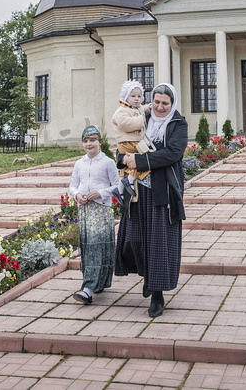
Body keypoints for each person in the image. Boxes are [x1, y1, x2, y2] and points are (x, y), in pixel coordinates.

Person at [115, 83, 187, 318]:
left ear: (172, 103)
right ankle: (147, 276)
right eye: (156, 102)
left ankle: (157, 294)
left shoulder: (178, 124)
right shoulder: (142, 118)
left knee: (158, 243)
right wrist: (123, 158)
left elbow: (173, 153)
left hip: (161, 192)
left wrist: (142, 162)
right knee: (135, 238)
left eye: (165, 103)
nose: (160, 107)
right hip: (137, 190)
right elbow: (123, 142)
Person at [68, 124, 120, 305]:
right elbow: (72, 185)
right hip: (84, 210)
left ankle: (88, 288)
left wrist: (101, 193)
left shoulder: (108, 162)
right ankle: (95, 284)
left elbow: (117, 185)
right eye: (85, 141)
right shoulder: (79, 163)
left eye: (92, 140)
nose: (89, 144)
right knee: (88, 246)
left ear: (100, 141)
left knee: (99, 246)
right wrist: (77, 195)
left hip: (101, 209)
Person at [111, 79, 151, 203]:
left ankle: (120, 191)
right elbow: (125, 124)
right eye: (133, 96)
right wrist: (141, 120)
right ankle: (128, 182)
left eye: (139, 96)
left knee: (126, 167)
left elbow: (142, 109)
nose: (136, 99)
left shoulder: (137, 108)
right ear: (125, 97)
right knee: (140, 159)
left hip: (133, 142)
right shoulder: (121, 111)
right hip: (127, 142)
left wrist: (149, 108)